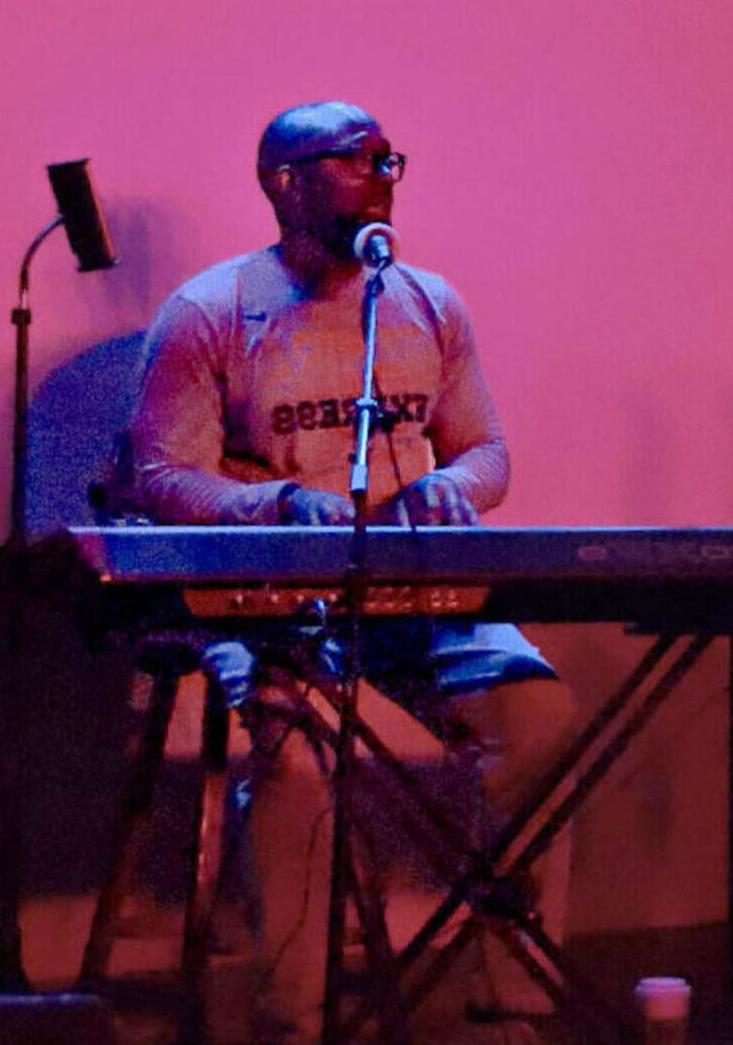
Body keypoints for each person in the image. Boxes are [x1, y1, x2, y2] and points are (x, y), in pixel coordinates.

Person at [126, 100, 574, 1039]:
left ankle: (510, 996)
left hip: (420, 590)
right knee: (292, 765)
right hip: (275, 599)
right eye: (356, 159)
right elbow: (161, 476)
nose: (384, 175)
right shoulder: (211, 311)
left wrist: (450, 487)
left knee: (542, 719)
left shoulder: (428, 304)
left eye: (389, 158)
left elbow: (487, 451)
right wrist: (277, 504)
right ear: (283, 182)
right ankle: (296, 1020)